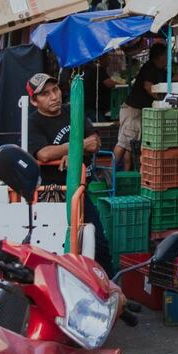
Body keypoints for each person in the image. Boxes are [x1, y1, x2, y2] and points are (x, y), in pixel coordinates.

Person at [24, 72, 112, 274]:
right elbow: (44, 154)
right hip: (52, 193)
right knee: (57, 245)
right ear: (34, 101)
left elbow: (95, 143)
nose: (54, 96)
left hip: (79, 191)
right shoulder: (33, 123)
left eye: (55, 90)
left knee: (98, 243)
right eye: (45, 94)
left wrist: (71, 153)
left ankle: (110, 286)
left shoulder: (73, 110)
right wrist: (75, 148)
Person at [113, 43, 168, 170]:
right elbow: (148, 86)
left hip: (136, 110)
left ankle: (126, 175)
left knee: (129, 145)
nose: (167, 58)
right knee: (123, 143)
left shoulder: (160, 70)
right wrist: (162, 100)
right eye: (165, 55)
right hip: (133, 110)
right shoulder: (150, 68)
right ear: (159, 57)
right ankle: (110, 173)